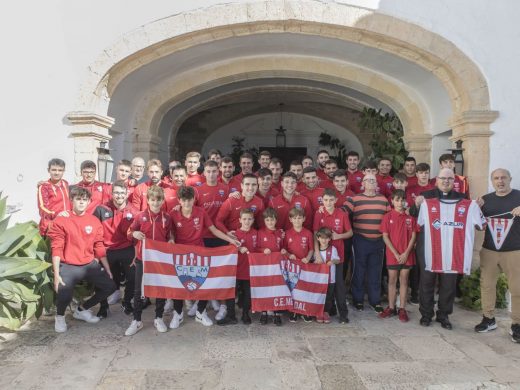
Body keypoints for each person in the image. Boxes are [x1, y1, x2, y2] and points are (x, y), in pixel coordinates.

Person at [411, 168, 484, 330]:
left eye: (450, 179)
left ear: (454, 182)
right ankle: (426, 314)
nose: (446, 181)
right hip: (428, 247)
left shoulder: (463, 199)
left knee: (448, 284)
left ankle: (443, 315)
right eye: (443, 178)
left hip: (453, 249)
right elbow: (414, 216)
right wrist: (416, 205)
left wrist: (478, 207)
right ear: (436, 180)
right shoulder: (427, 196)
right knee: (426, 282)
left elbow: (479, 225)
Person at [169, 186, 240, 329]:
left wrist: (230, 240)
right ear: (179, 200)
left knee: (204, 282)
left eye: (189, 200)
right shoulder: (174, 213)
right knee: (178, 285)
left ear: (194, 199)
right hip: (181, 254)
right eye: (183, 200)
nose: (187, 203)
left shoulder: (200, 212)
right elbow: (171, 232)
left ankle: (200, 313)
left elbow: (213, 229)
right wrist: (171, 239)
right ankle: (178, 313)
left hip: (199, 253)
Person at [48, 187, 116, 333]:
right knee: (64, 291)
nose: (81, 202)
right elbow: (57, 248)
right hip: (69, 265)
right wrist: (56, 274)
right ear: (71, 201)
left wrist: (108, 269)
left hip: (89, 264)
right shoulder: (62, 220)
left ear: (89, 202)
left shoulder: (94, 220)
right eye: (78, 199)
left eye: (84, 199)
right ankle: (59, 317)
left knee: (110, 286)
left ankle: (81, 309)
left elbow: (99, 246)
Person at [475, 168, 520, 343]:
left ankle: (516, 323)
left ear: (510, 178)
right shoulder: (486, 200)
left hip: (514, 250)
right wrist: (477, 210)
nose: (500, 181)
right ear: (492, 181)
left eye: (503, 178)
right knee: (487, 285)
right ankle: (488, 318)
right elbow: (479, 226)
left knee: (517, 289)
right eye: (496, 178)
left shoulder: (518, 196)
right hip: (490, 250)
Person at [125, 186, 174, 336]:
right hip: (142, 259)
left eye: (159, 200)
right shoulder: (140, 216)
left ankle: (158, 317)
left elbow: (171, 236)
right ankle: (137, 320)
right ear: (148, 200)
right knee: (139, 290)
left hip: (160, 261)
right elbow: (129, 233)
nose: (155, 203)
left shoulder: (167, 218)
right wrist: (135, 233)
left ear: (162, 200)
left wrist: (172, 240)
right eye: (152, 200)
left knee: (160, 289)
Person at [344, 173, 390, 313]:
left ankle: (374, 301)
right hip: (360, 240)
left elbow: (390, 218)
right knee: (359, 270)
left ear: (377, 184)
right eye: (368, 180)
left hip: (378, 241)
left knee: (375, 272)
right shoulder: (354, 199)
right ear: (362, 184)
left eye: (373, 180)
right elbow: (341, 213)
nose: (371, 182)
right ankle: (358, 300)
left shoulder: (384, 200)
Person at [93, 180, 138, 318]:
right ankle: (103, 307)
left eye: (122, 193)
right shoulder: (101, 209)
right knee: (100, 278)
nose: (119, 196)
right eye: (116, 193)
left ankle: (127, 301)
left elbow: (137, 233)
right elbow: (93, 232)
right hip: (107, 250)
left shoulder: (134, 211)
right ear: (111, 194)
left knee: (134, 276)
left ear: (127, 193)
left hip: (126, 247)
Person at [379, 189, 419, 322]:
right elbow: (385, 236)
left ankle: (402, 308)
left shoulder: (410, 218)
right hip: (393, 255)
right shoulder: (387, 217)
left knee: (404, 281)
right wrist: (396, 253)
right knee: (391, 281)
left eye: (402, 200)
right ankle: (391, 307)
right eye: (397, 200)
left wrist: (406, 253)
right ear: (392, 201)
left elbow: (414, 236)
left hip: (406, 255)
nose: (400, 202)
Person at [313, 189, 352, 323]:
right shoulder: (319, 214)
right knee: (324, 285)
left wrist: (339, 236)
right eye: (325, 200)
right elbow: (315, 234)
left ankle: (343, 314)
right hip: (322, 257)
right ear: (322, 201)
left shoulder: (342, 214)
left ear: (335, 200)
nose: (328, 203)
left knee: (338, 285)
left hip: (337, 256)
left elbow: (350, 233)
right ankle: (325, 310)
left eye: (331, 200)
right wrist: (317, 253)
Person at [217, 208, 258, 326]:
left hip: (249, 270)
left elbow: (260, 247)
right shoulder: (234, 235)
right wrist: (239, 248)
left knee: (247, 294)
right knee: (231, 293)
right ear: (240, 220)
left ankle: (246, 314)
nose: (247, 221)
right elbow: (229, 250)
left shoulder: (256, 233)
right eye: (244, 219)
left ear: (253, 220)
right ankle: (231, 316)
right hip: (235, 270)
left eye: (249, 219)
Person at [283, 207, 314, 322]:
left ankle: (304, 311)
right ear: (290, 219)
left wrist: (308, 258)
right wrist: (289, 254)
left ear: (304, 219)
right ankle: (294, 311)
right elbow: (284, 249)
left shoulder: (308, 233)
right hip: (292, 267)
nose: (297, 220)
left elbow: (311, 249)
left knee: (304, 288)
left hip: (305, 266)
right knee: (293, 288)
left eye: (299, 218)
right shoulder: (287, 233)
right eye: (294, 218)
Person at [257, 207, 285, 326]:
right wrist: (263, 250)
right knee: (265, 288)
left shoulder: (280, 233)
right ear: (264, 221)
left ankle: (276, 313)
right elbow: (256, 248)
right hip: (264, 266)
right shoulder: (260, 232)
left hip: (277, 266)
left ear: (276, 220)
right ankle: (264, 312)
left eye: (272, 220)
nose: (270, 222)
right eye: (267, 220)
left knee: (277, 288)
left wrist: (284, 250)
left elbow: (283, 247)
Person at [37, 158, 69, 237]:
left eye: (60, 170)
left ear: (64, 171)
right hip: (51, 225)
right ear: (48, 170)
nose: (57, 173)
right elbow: (42, 208)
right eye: (54, 170)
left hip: (66, 224)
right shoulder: (44, 186)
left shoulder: (65, 183)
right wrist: (58, 214)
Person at [315, 227, 341, 324]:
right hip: (319, 280)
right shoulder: (316, 252)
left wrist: (333, 261)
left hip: (330, 279)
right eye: (322, 238)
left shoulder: (332, 249)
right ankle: (318, 312)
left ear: (330, 239)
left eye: (326, 238)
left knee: (328, 297)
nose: (324, 240)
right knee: (319, 296)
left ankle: (326, 312)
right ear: (318, 238)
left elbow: (338, 260)